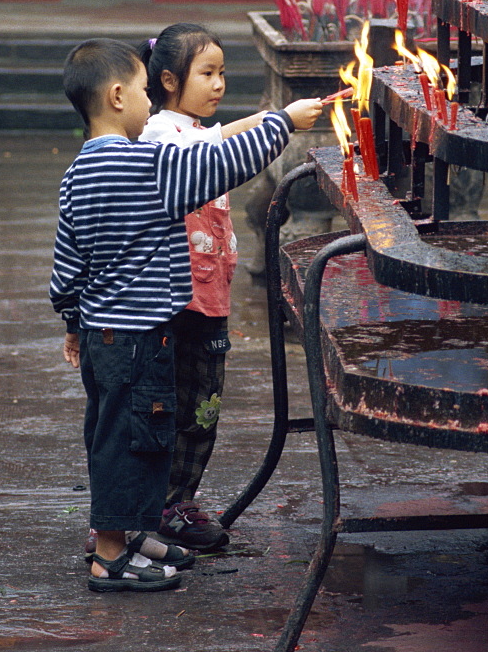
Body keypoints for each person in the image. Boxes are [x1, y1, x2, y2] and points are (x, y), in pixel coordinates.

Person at [50, 38, 322, 592]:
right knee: (135, 441)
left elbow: (67, 262)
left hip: (103, 335)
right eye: (147, 93)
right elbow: (221, 163)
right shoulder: (150, 165)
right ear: (119, 95)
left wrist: (73, 321)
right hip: (140, 336)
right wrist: (282, 124)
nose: (152, 105)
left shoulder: (77, 173)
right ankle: (109, 556)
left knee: (123, 435)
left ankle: (136, 533)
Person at [135, 23, 267, 551]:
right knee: (164, 405)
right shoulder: (161, 132)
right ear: (169, 80)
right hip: (173, 299)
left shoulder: (196, 131)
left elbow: (222, 136)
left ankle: (181, 500)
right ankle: (153, 506)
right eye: (207, 74)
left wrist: (271, 122)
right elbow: (213, 147)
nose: (219, 84)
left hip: (211, 296)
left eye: (223, 74)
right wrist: (272, 125)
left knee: (203, 404)